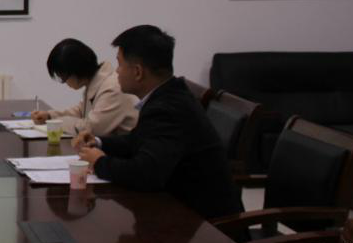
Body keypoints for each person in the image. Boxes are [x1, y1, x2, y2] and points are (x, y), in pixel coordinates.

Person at [73, 25, 243, 219]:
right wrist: (99, 142)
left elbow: (146, 174)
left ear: (138, 72)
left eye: (119, 64)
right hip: (180, 210)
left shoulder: (168, 108)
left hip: (205, 224)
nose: (117, 72)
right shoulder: (167, 95)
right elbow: (137, 140)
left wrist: (100, 162)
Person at [31, 38, 138, 137]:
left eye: (63, 77)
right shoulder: (96, 82)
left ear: (77, 70)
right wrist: (50, 116)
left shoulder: (112, 89)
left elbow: (91, 128)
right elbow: (81, 111)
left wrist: (57, 123)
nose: (64, 82)